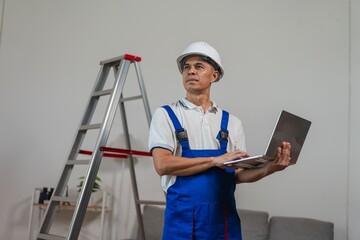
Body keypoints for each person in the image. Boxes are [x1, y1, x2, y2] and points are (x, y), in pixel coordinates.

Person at [148, 41, 291, 240]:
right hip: (182, 222)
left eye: (199, 66)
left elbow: (238, 175)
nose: (191, 71)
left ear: (214, 75)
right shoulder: (165, 115)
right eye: (186, 67)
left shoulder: (232, 122)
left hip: (223, 221)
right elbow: (162, 164)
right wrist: (214, 161)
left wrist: (271, 168)